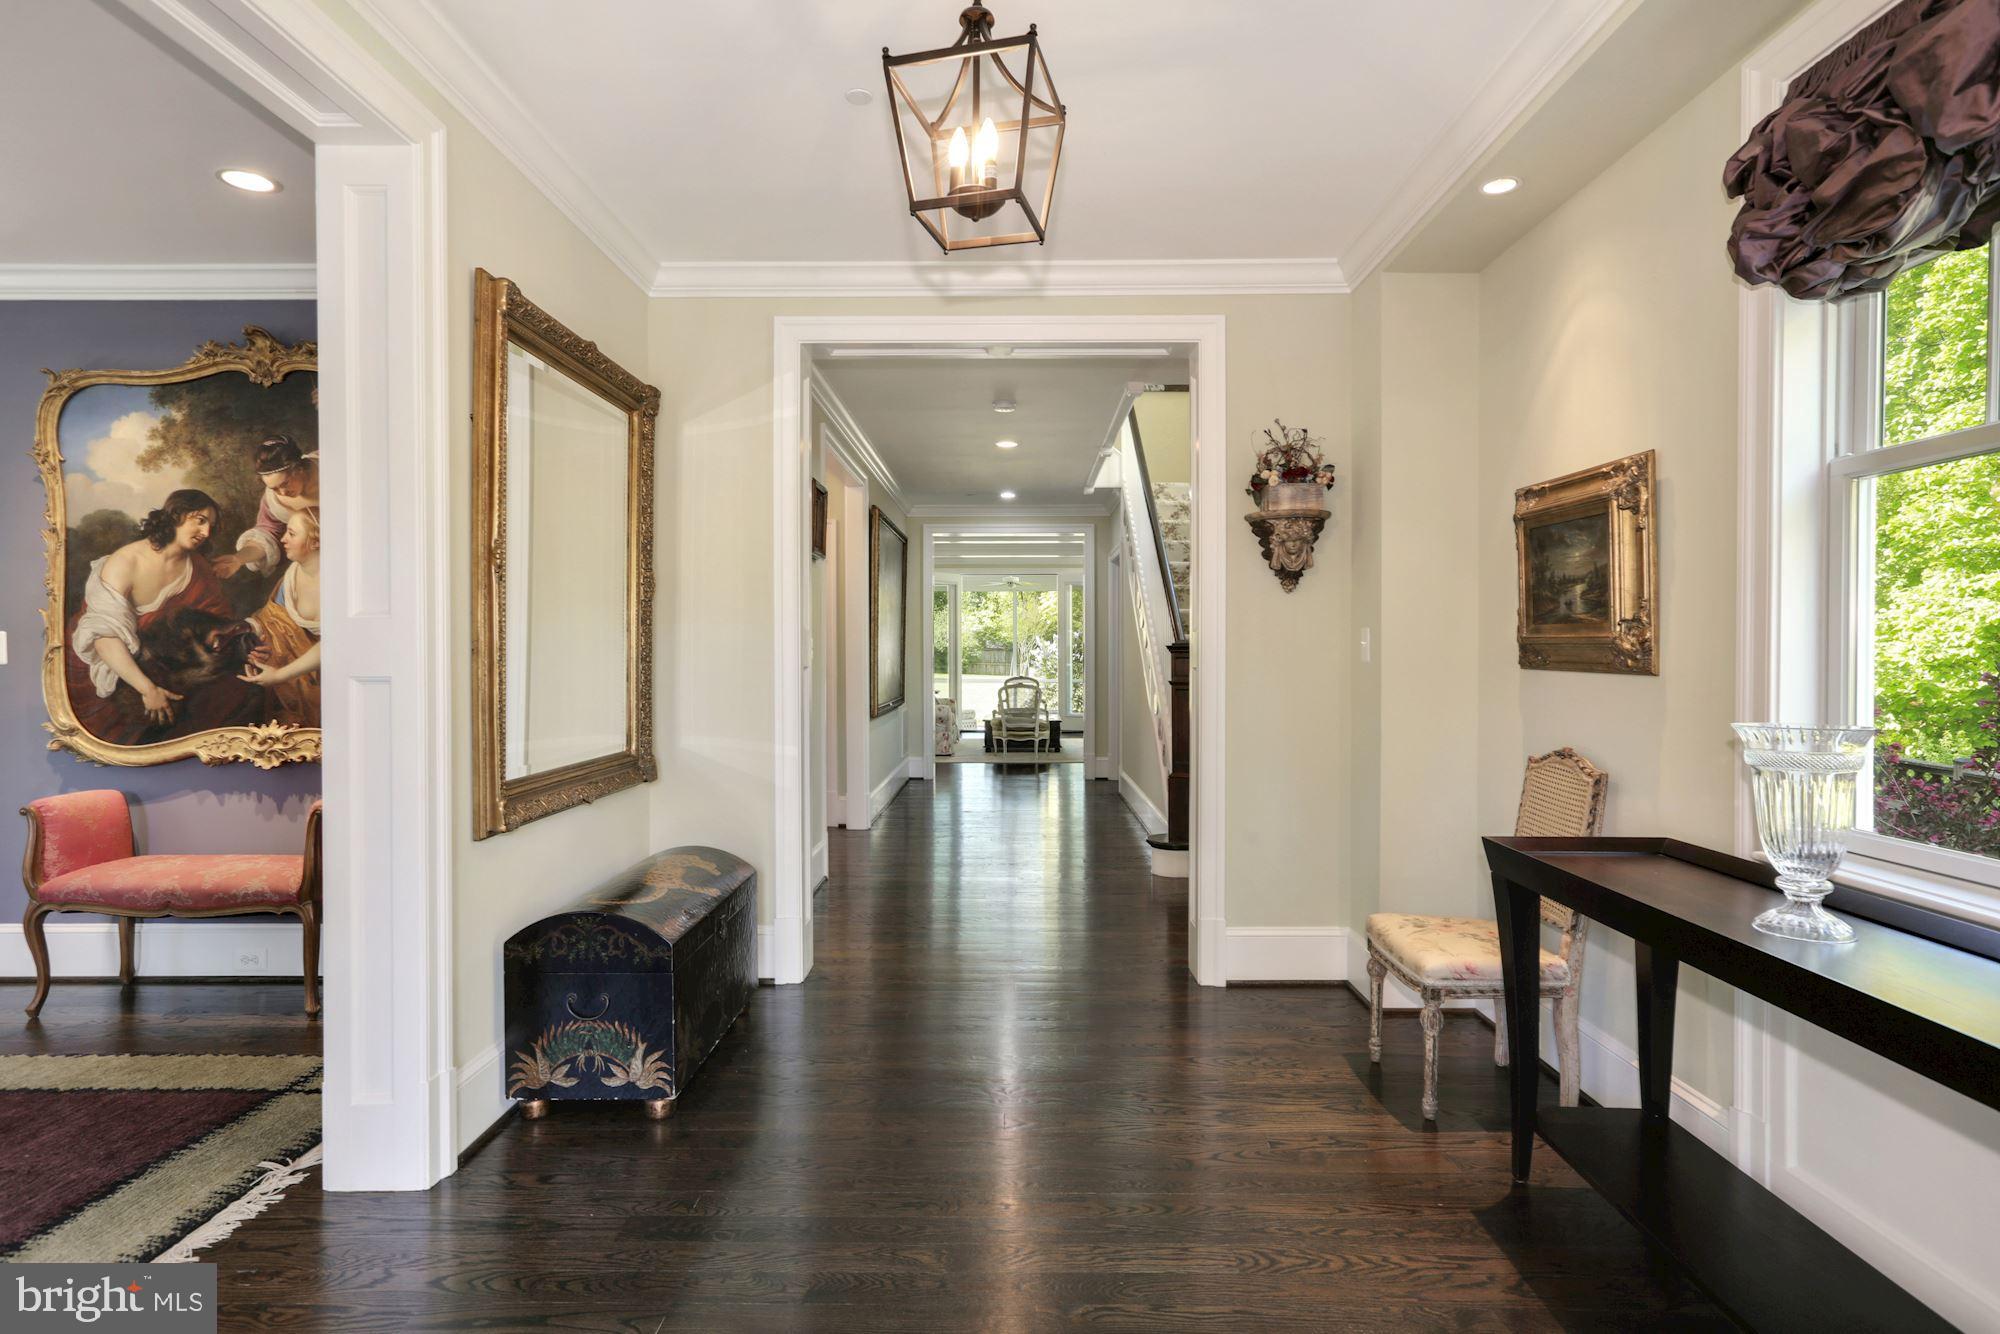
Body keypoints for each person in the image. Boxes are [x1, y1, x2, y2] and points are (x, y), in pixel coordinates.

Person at [66, 489, 261, 744]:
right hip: (116, 663)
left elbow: (218, 620)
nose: (206, 532)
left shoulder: (197, 567)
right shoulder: (125, 562)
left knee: (239, 694)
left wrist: (245, 643)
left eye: (211, 526)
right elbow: (104, 639)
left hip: (170, 663)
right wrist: (148, 689)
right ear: (175, 515)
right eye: (200, 520)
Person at [239, 506, 321, 726]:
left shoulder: (341, 583)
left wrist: (278, 675)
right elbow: (272, 620)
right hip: (288, 667)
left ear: (315, 542)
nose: (283, 539)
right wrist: (258, 644)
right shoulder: (291, 577)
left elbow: (334, 644)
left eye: (292, 534)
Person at [212, 434, 318, 579]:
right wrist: (238, 559)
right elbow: (267, 536)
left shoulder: (333, 465)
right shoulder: (273, 501)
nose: (282, 492)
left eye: (285, 483)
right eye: (274, 488)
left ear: (299, 468)